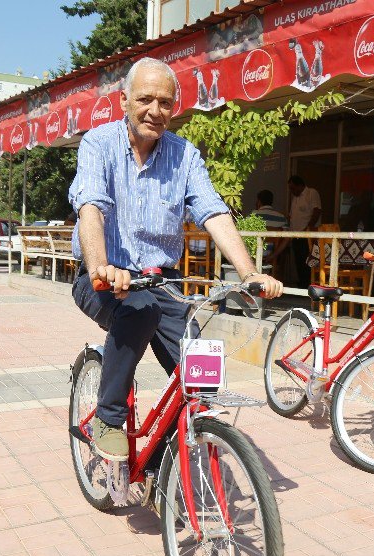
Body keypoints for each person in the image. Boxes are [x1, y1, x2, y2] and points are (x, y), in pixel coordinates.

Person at [69, 57, 283, 462]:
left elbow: (213, 211)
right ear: (124, 101)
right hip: (104, 278)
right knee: (138, 311)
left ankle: (174, 469)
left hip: (164, 282)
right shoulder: (99, 144)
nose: (155, 110)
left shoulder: (184, 156)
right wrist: (100, 266)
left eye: (165, 102)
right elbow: (91, 207)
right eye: (145, 99)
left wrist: (249, 272)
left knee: (199, 381)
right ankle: (109, 418)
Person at [286, 175, 321, 284]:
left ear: (300, 185)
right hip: (295, 235)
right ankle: (302, 285)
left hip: (306, 234)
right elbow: (292, 216)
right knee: (298, 261)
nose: (291, 191)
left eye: (293, 188)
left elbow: (317, 211)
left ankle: (308, 285)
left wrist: (308, 228)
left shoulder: (311, 193)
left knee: (308, 261)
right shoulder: (295, 198)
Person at [254, 189, 288, 262]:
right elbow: (287, 239)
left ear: (259, 202)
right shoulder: (281, 218)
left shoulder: (252, 216)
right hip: (273, 256)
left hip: (255, 255)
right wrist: (273, 255)